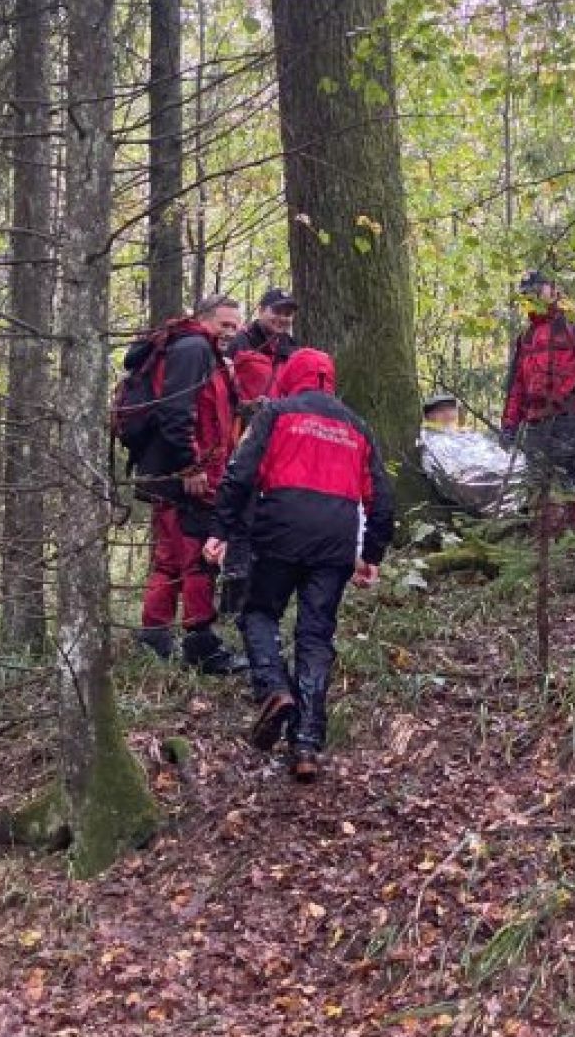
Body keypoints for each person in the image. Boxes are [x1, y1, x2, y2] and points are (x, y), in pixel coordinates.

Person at [205, 348, 394, 782]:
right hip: (336, 537)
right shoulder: (357, 426)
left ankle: (274, 689)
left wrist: (220, 529)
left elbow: (240, 474)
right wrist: (372, 556)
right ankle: (306, 744)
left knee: (258, 611)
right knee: (315, 633)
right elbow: (381, 499)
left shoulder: (277, 413)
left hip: (280, 528)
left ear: (291, 377)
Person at [131, 293, 247, 673]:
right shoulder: (194, 348)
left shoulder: (200, 350)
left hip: (175, 477)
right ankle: (200, 644)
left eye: (235, 325)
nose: (230, 332)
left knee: (170, 560)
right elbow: (176, 411)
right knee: (198, 559)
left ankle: (155, 638)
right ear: (204, 319)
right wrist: (190, 466)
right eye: (224, 324)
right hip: (187, 479)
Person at [500, 271, 575, 526]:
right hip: (536, 425)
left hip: (572, 419)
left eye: (536, 289)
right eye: (526, 293)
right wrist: (509, 426)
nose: (531, 296)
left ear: (551, 289)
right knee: (538, 494)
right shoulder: (526, 337)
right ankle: (544, 555)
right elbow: (517, 387)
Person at [228, 286, 298, 415]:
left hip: (280, 422)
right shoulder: (240, 341)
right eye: (276, 312)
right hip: (245, 423)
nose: (282, 318)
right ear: (261, 311)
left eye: (287, 314)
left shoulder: (292, 347)